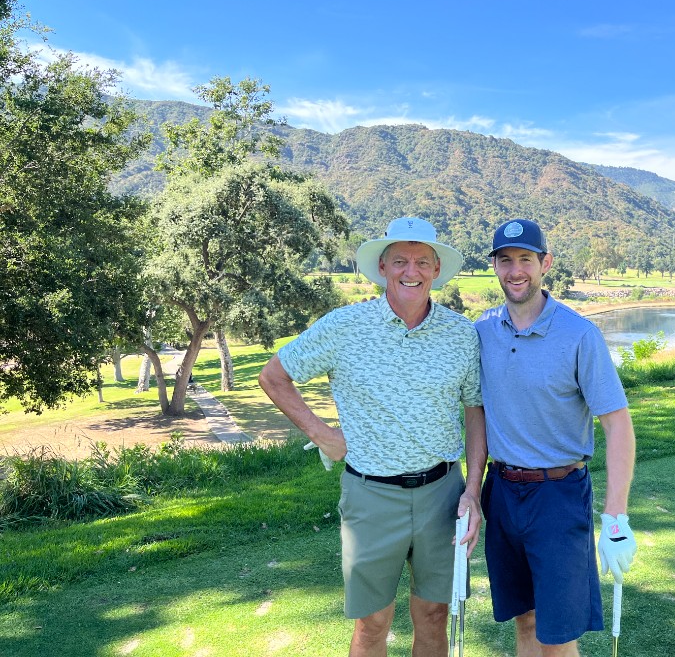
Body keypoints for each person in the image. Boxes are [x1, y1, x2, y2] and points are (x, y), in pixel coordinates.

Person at [258, 216, 485, 657]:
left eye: (422, 261)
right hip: (371, 495)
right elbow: (274, 376)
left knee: (435, 615)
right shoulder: (344, 326)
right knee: (372, 622)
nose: (411, 271)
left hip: (443, 493)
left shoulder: (462, 334)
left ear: (436, 270)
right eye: (400, 260)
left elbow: (475, 410)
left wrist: (472, 490)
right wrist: (321, 433)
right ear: (382, 268)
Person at [475, 218, 638, 657]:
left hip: (559, 495)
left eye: (525, 259)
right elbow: (475, 411)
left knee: (558, 633)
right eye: (505, 260)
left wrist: (616, 516)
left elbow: (618, 425)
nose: (515, 271)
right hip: (503, 493)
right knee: (524, 619)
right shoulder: (483, 330)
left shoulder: (579, 334)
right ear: (494, 266)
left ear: (545, 263)